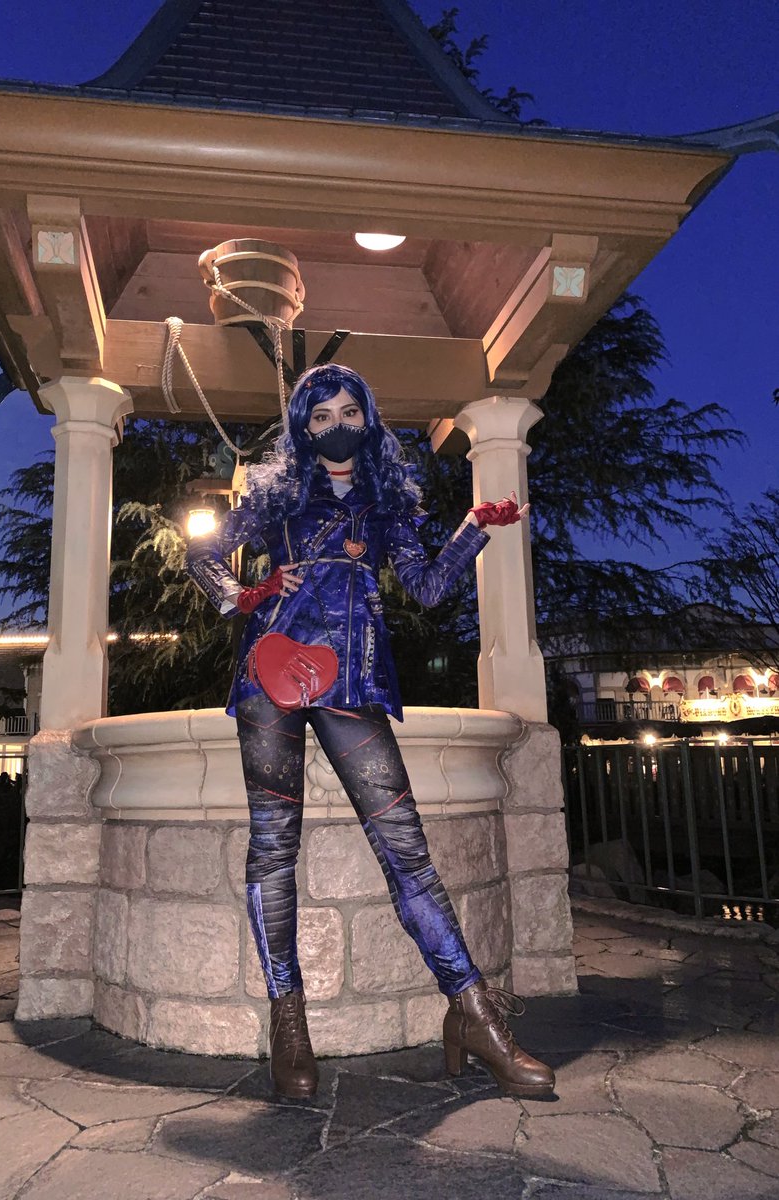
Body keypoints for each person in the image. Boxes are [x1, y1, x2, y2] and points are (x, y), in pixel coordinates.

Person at [186, 364, 554, 1101]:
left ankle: (473, 1013)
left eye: (348, 411)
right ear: (302, 427)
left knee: (407, 852)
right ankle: (288, 1019)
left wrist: (474, 529)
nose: (335, 426)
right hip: (272, 672)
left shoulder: (386, 504)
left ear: (368, 418)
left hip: (351, 681)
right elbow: (202, 553)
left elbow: (426, 586)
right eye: (320, 416)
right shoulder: (277, 496)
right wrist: (245, 593)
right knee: (273, 849)